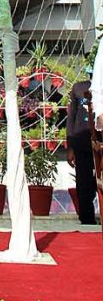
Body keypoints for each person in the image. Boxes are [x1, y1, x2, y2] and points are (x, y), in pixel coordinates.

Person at [66, 68, 97, 225]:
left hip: (101, 142)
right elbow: (71, 117)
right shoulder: (79, 88)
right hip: (82, 142)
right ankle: (87, 219)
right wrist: (70, 146)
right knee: (84, 182)